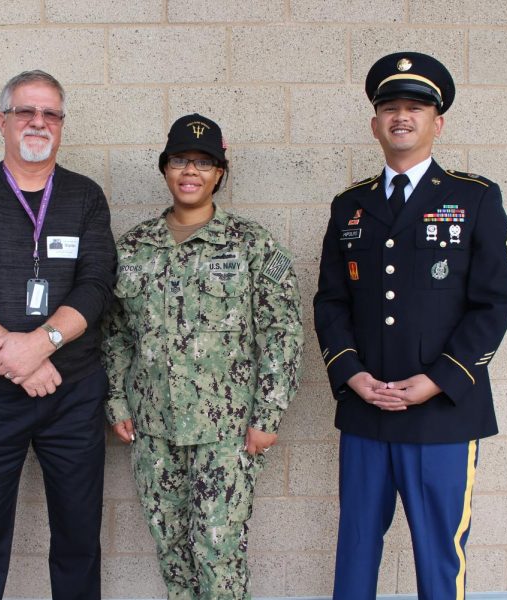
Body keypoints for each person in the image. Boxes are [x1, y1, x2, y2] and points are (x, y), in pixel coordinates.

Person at [314, 52, 507, 599]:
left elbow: (495, 302)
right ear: (375, 124)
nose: (401, 116)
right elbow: (331, 301)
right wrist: (352, 375)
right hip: (365, 409)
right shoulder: (349, 206)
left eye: (414, 107)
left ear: (438, 122)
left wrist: (439, 378)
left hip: (443, 412)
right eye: (390, 108)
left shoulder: (474, 198)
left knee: (438, 555)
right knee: (356, 546)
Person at [0, 70, 115, 600]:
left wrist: (41, 344)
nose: (38, 122)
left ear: (61, 124)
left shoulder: (85, 197)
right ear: (2, 122)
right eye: (26, 112)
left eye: (50, 113)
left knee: (79, 539)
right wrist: (15, 354)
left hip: (73, 396)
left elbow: (98, 285)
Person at [103, 113, 304, 599]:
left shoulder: (251, 244)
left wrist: (268, 413)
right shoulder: (133, 247)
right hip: (153, 428)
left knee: (218, 553)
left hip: (227, 432)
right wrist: (117, 401)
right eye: (179, 161)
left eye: (203, 162)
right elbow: (114, 333)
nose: (190, 171)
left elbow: (283, 331)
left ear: (219, 173)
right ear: (165, 169)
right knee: (171, 549)